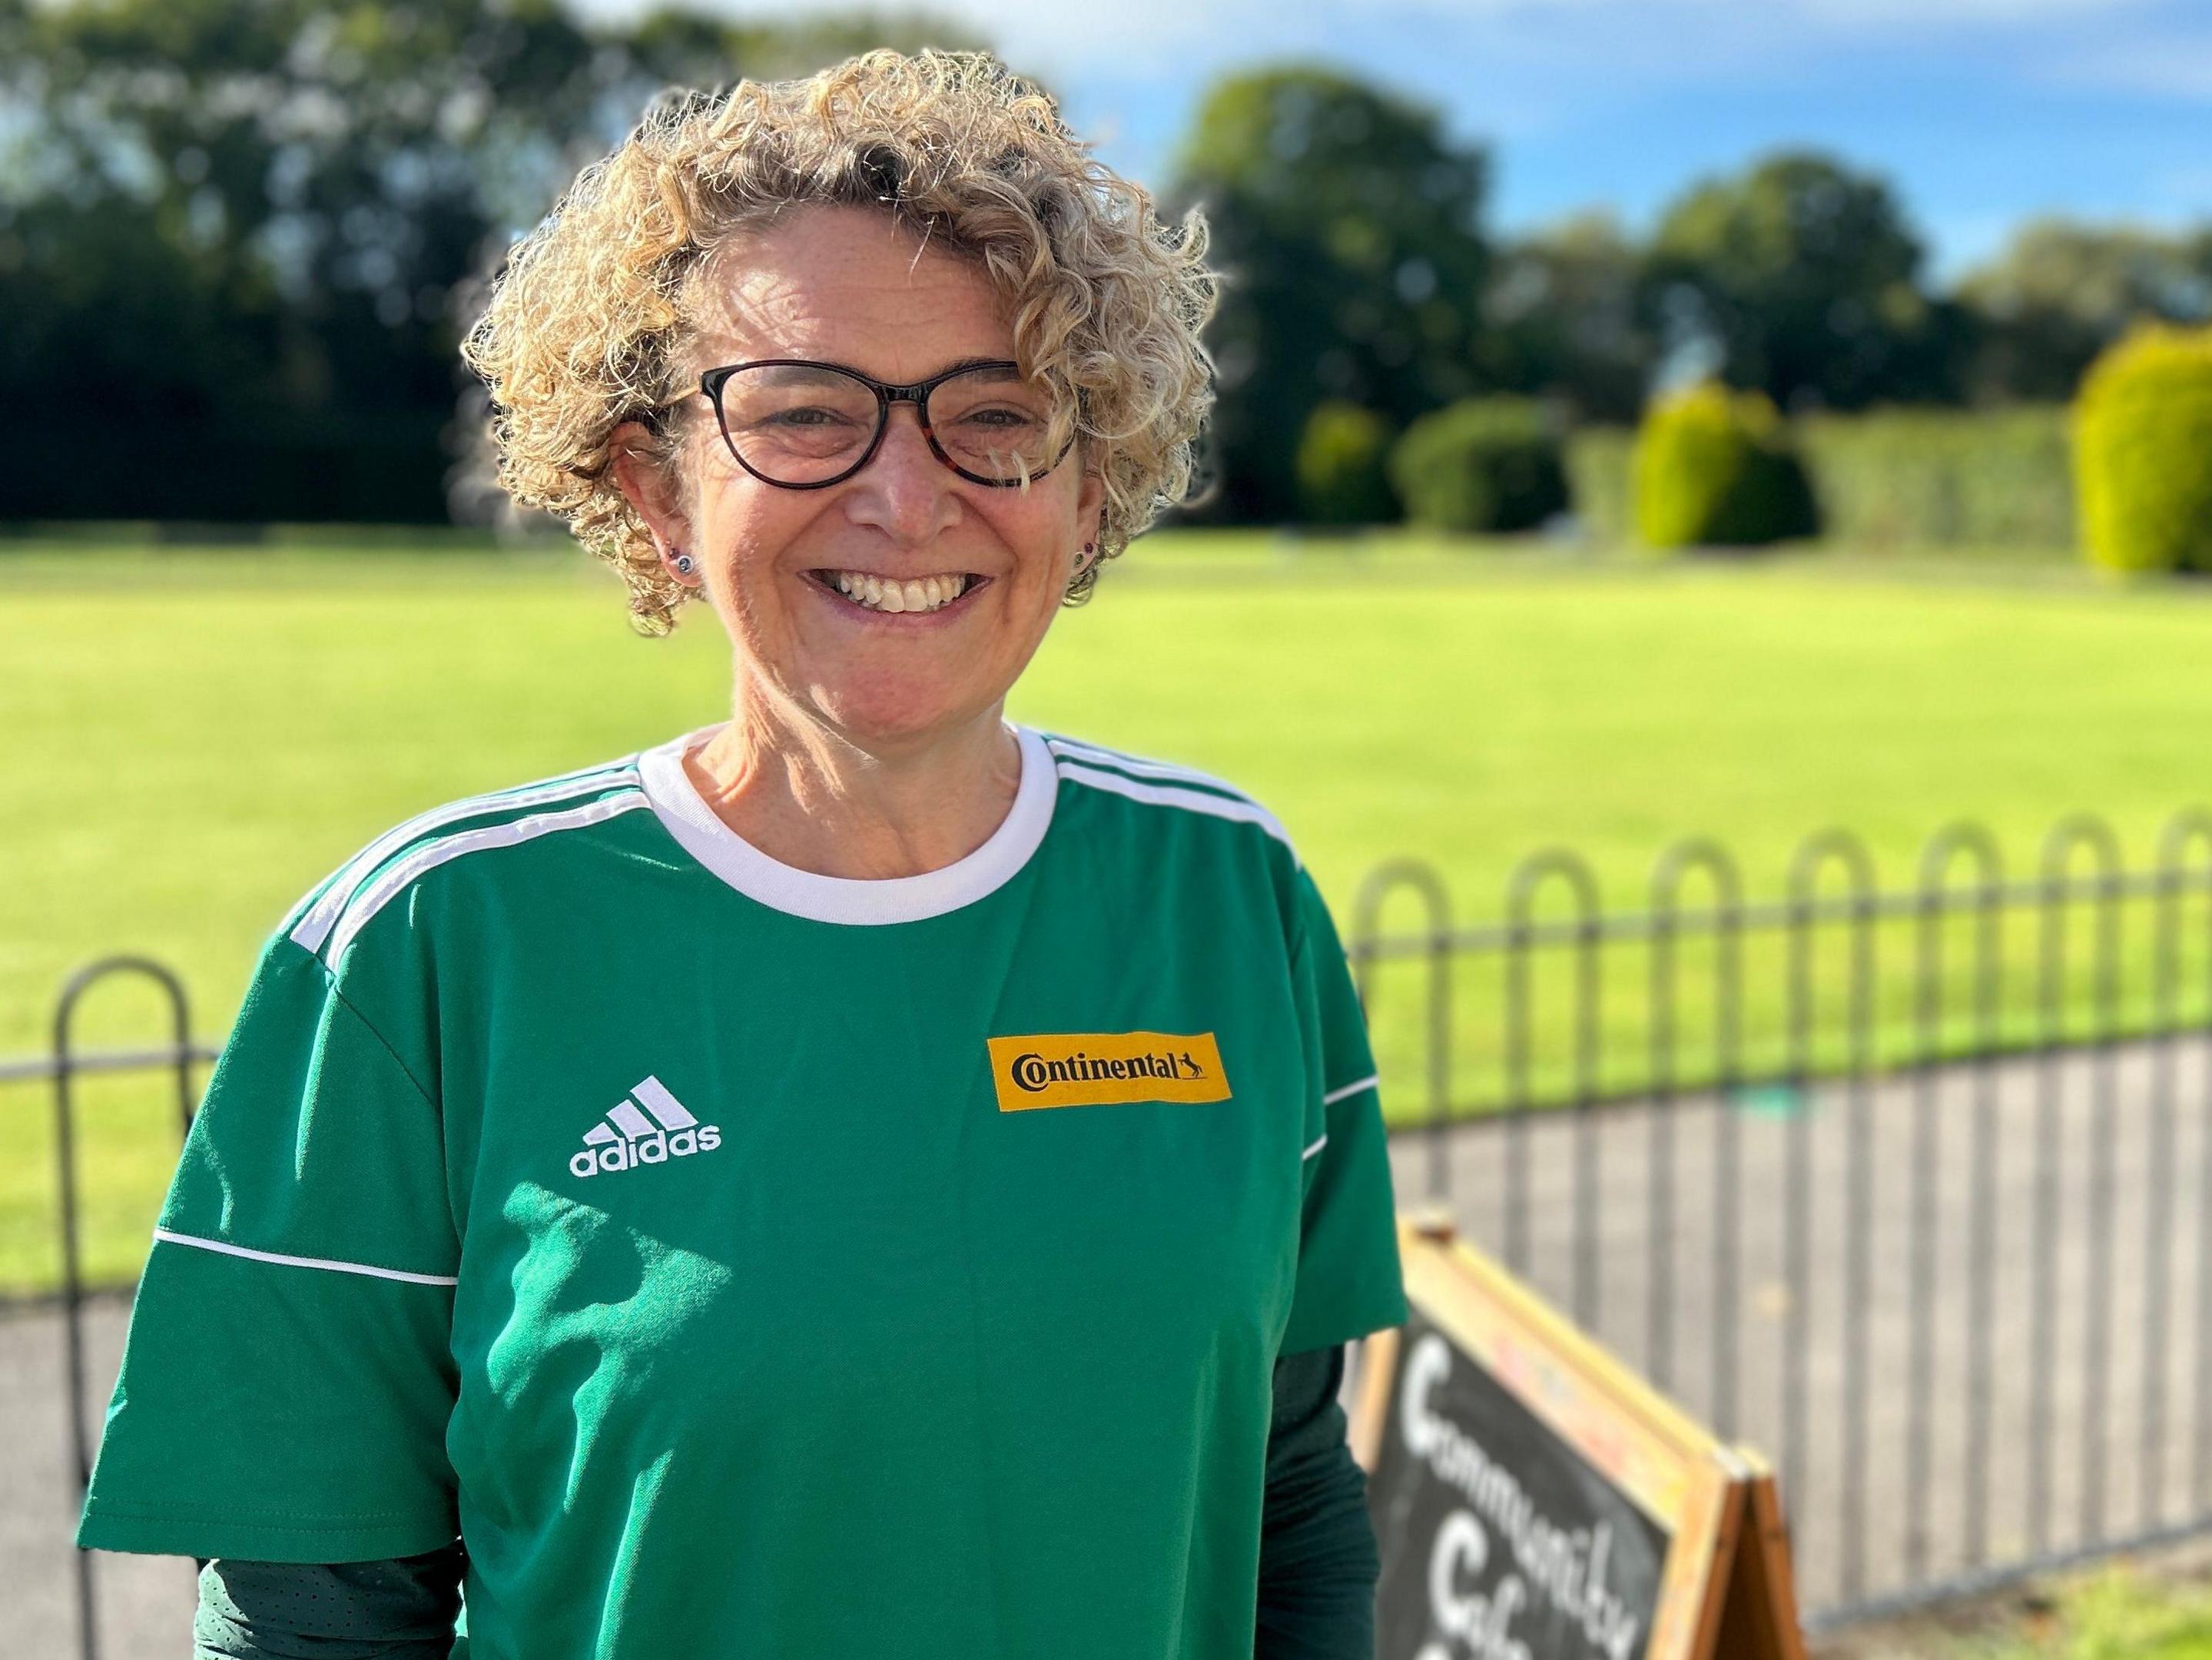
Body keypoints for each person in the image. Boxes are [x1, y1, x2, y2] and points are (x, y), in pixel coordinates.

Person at [78, 49, 1408, 1659]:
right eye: (804, 415)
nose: (907, 498)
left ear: (1089, 474)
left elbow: (1289, 1495)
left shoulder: (1230, 898)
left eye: (996, 415)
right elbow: (311, 1623)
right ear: (654, 483)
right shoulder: (423, 951)